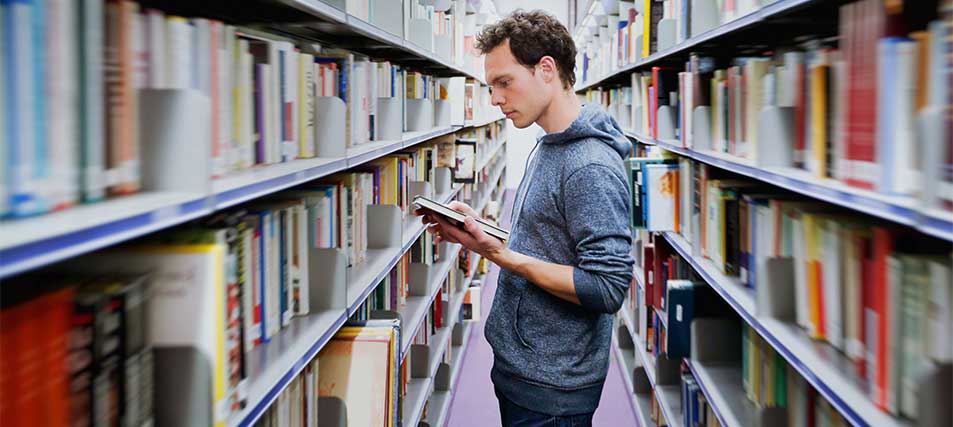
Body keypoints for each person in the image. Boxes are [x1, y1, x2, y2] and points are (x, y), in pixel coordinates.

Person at [417, 9, 634, 427]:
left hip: (552, 390)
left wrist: (499, 255)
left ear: (546, 70)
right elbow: (549, 241)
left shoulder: (590, 166)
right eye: (491, 86)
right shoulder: (549, 143)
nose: (495, 98)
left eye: (504, 82)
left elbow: (607, 287)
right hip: (525, 367)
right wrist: (477, 234)